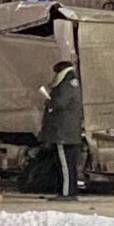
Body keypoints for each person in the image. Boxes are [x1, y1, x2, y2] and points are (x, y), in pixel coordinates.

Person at [39, 60, 83, 201]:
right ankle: (71, 191)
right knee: (69, 164)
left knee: (64, 163)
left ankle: (66, 193)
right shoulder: (72, 81)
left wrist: (48, 102)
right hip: (69, 130)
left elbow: (60, 102)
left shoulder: (66, 83)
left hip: (63, 130)